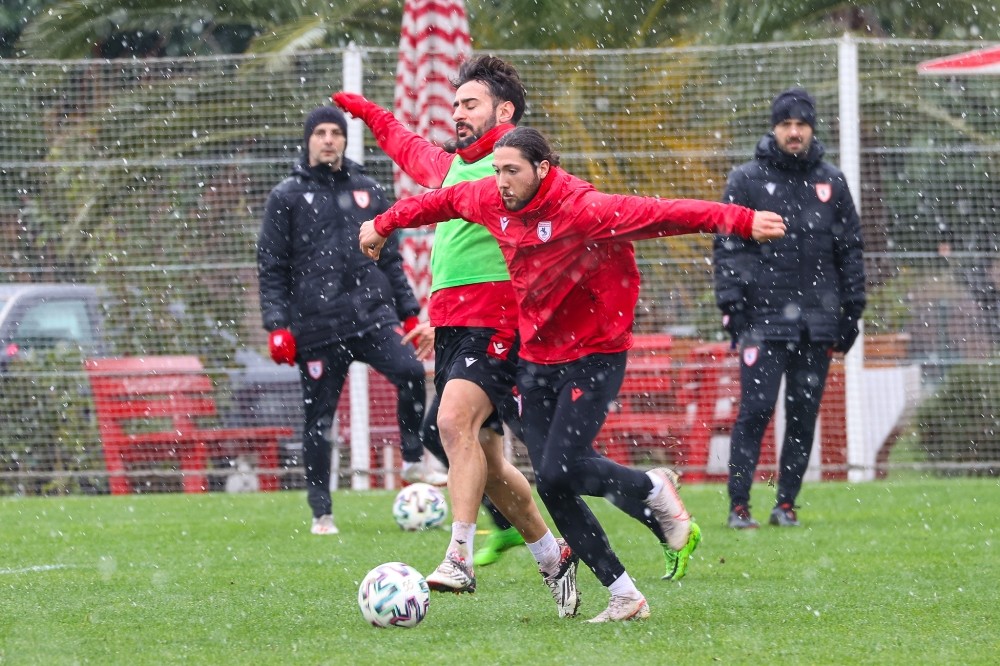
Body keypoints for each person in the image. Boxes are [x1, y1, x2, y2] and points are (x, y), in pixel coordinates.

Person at [359, 126, 786, 622]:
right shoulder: (490, 198)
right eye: (496, 170)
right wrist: (383, 223)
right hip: (538, 356)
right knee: (554, 484)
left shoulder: (585, 209)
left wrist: (742, 220)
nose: (500, 181)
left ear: (543, 169)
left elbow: (669, 214)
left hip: (595, 354)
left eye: (512, 171)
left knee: (562, 468)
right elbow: (439, 202)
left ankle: (652, 490)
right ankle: (625, 595)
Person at [335, 58, 580, 617]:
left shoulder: (511, 171)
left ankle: (459, 558)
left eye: (470, 104)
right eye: (456, 105)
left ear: (504, 110)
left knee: (449, 423)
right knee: (488, 464)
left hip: (498, 316)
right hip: (453, 321)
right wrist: (368, 110)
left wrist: (384, 223)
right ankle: (552, 555)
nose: (458, 113)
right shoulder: (452, 166)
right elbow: (403, 143)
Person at [257, 105, 445, 537]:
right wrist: (278, 325)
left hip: (370, 318)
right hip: (316, 325)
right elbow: (271, 267)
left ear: (344, 139)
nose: (328, 139)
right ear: (308, 141)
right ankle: (321, 512)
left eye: (335, 132)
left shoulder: (368, 190)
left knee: (412, 372)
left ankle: (413, 461)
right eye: (320, 132)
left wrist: (410, 312)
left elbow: (392, 260)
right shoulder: (286, 196)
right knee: (320, 421)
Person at [713, 87, 866, 529]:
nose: (794, 132)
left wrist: (851, 313)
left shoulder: (832, 182)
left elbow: (850, 251)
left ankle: (786, 505)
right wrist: (734, 311)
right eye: (786, 124)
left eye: (801, 124)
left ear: (812, 128)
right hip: (762, 323)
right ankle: (739, 506)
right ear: (774, 128)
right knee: (755, 412)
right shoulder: (746, 180)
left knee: (802, 416)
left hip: (817, 327)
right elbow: (727, 248)